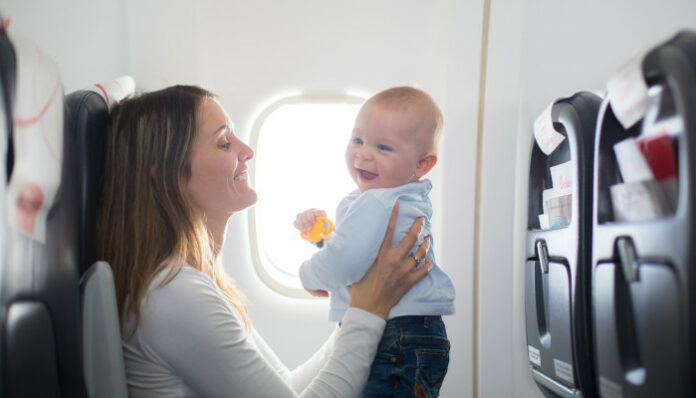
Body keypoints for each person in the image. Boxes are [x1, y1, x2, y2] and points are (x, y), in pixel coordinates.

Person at [95, 85, 433, 398]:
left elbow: (286, 386)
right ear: (167, 174)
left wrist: (363, 301)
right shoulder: (174, 294)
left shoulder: (197, 281)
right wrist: (367, 310)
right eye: (225, 143)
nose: (247, 150)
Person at [294, 86, 455, 397]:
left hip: (394, 336)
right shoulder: (400, 197)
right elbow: (362, 253)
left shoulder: (377, 203)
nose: (363, 153)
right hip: (416, 335)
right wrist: (323, 238)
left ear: (422, 164)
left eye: (383, 147)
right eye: (357, 140)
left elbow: (346, 261)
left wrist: (308, 275)